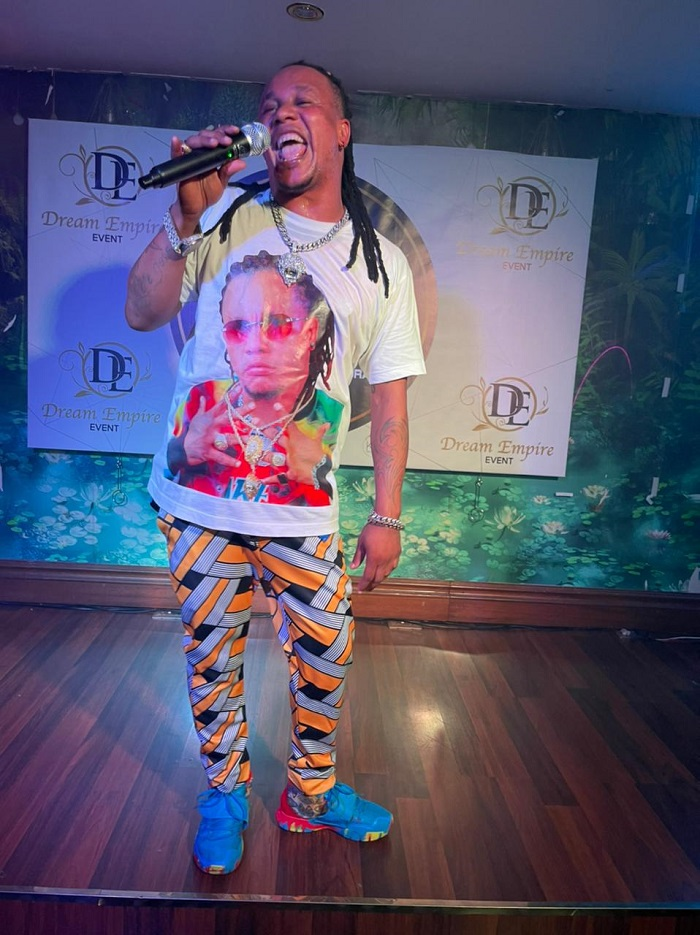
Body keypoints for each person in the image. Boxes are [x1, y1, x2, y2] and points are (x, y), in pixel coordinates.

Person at [125, 61, 425, 876]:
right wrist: (184, 218)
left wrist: (387, 514)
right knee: (210, 659)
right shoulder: (223, 215)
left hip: (302, 511)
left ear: (341, 131)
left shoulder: (380, 262)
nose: (281, 112)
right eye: (269, 104)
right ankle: (225, 791)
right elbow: (142, 309)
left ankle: (310, 794)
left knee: (327, 653)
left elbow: (389, 403)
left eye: (303, 102)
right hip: (196, 502)